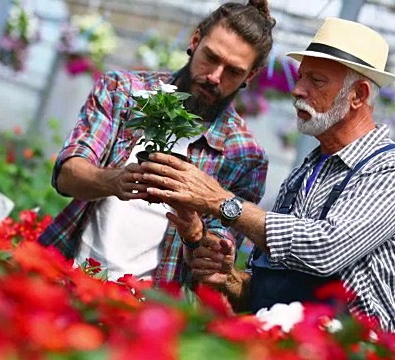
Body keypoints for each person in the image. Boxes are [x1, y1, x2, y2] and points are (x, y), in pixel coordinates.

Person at [138, 17, 395, 332]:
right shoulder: (305, 172)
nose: (297, 89)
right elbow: (265, 295)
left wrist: (220, 201)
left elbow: (325, 249)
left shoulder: (391, 169)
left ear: (358, 95)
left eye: (316, 81)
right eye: (301, 77)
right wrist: (228, 277)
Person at [38, 1, 276, 285]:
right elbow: (67, 174)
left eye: (233, 71)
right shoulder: (124, 92)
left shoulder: (244, 155)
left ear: (250, 76)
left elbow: (212, 257)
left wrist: (195, 232)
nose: (215, 76)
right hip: (67, 274)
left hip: (143, 307)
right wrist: (113, 181)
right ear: (195, 41)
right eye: (210, 57)